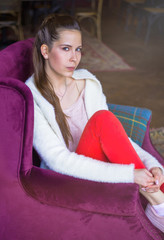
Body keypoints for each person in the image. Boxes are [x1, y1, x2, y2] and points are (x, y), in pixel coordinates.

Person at [26, 13, 164, 232]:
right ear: (45, 51)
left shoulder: (88, 83)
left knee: (105, 120)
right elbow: (58, 161)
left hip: (99, 164)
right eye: (66, 48)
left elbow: (117, 137)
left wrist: (151, 165)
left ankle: (160, 204)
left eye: (78, 49)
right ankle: (160, 206)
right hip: (68, 179)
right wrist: (130, 175)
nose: (74, 58)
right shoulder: (31, 96)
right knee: (102, 119)